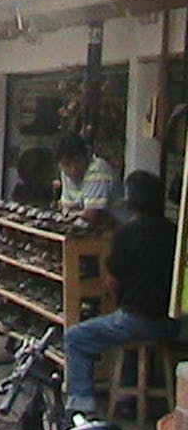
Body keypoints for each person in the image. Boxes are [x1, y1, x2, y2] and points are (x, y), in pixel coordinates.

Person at [64, 170, 176, 416]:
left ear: (131, 201)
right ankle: (126, 392)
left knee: (76, 336)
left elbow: (111, 283)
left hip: (137, 320)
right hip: (171, 323)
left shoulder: (127, 233)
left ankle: (81, 402)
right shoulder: (174, 233)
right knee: (124, 329)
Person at [55, 132, 117, 225]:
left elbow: (92, 215)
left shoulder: (98, 168)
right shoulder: (64, 173)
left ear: (86, 155)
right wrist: (78, 213)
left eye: (77, 161)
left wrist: (74, 213)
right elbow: (66, 209)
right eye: (66, 164)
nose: (73, 169)